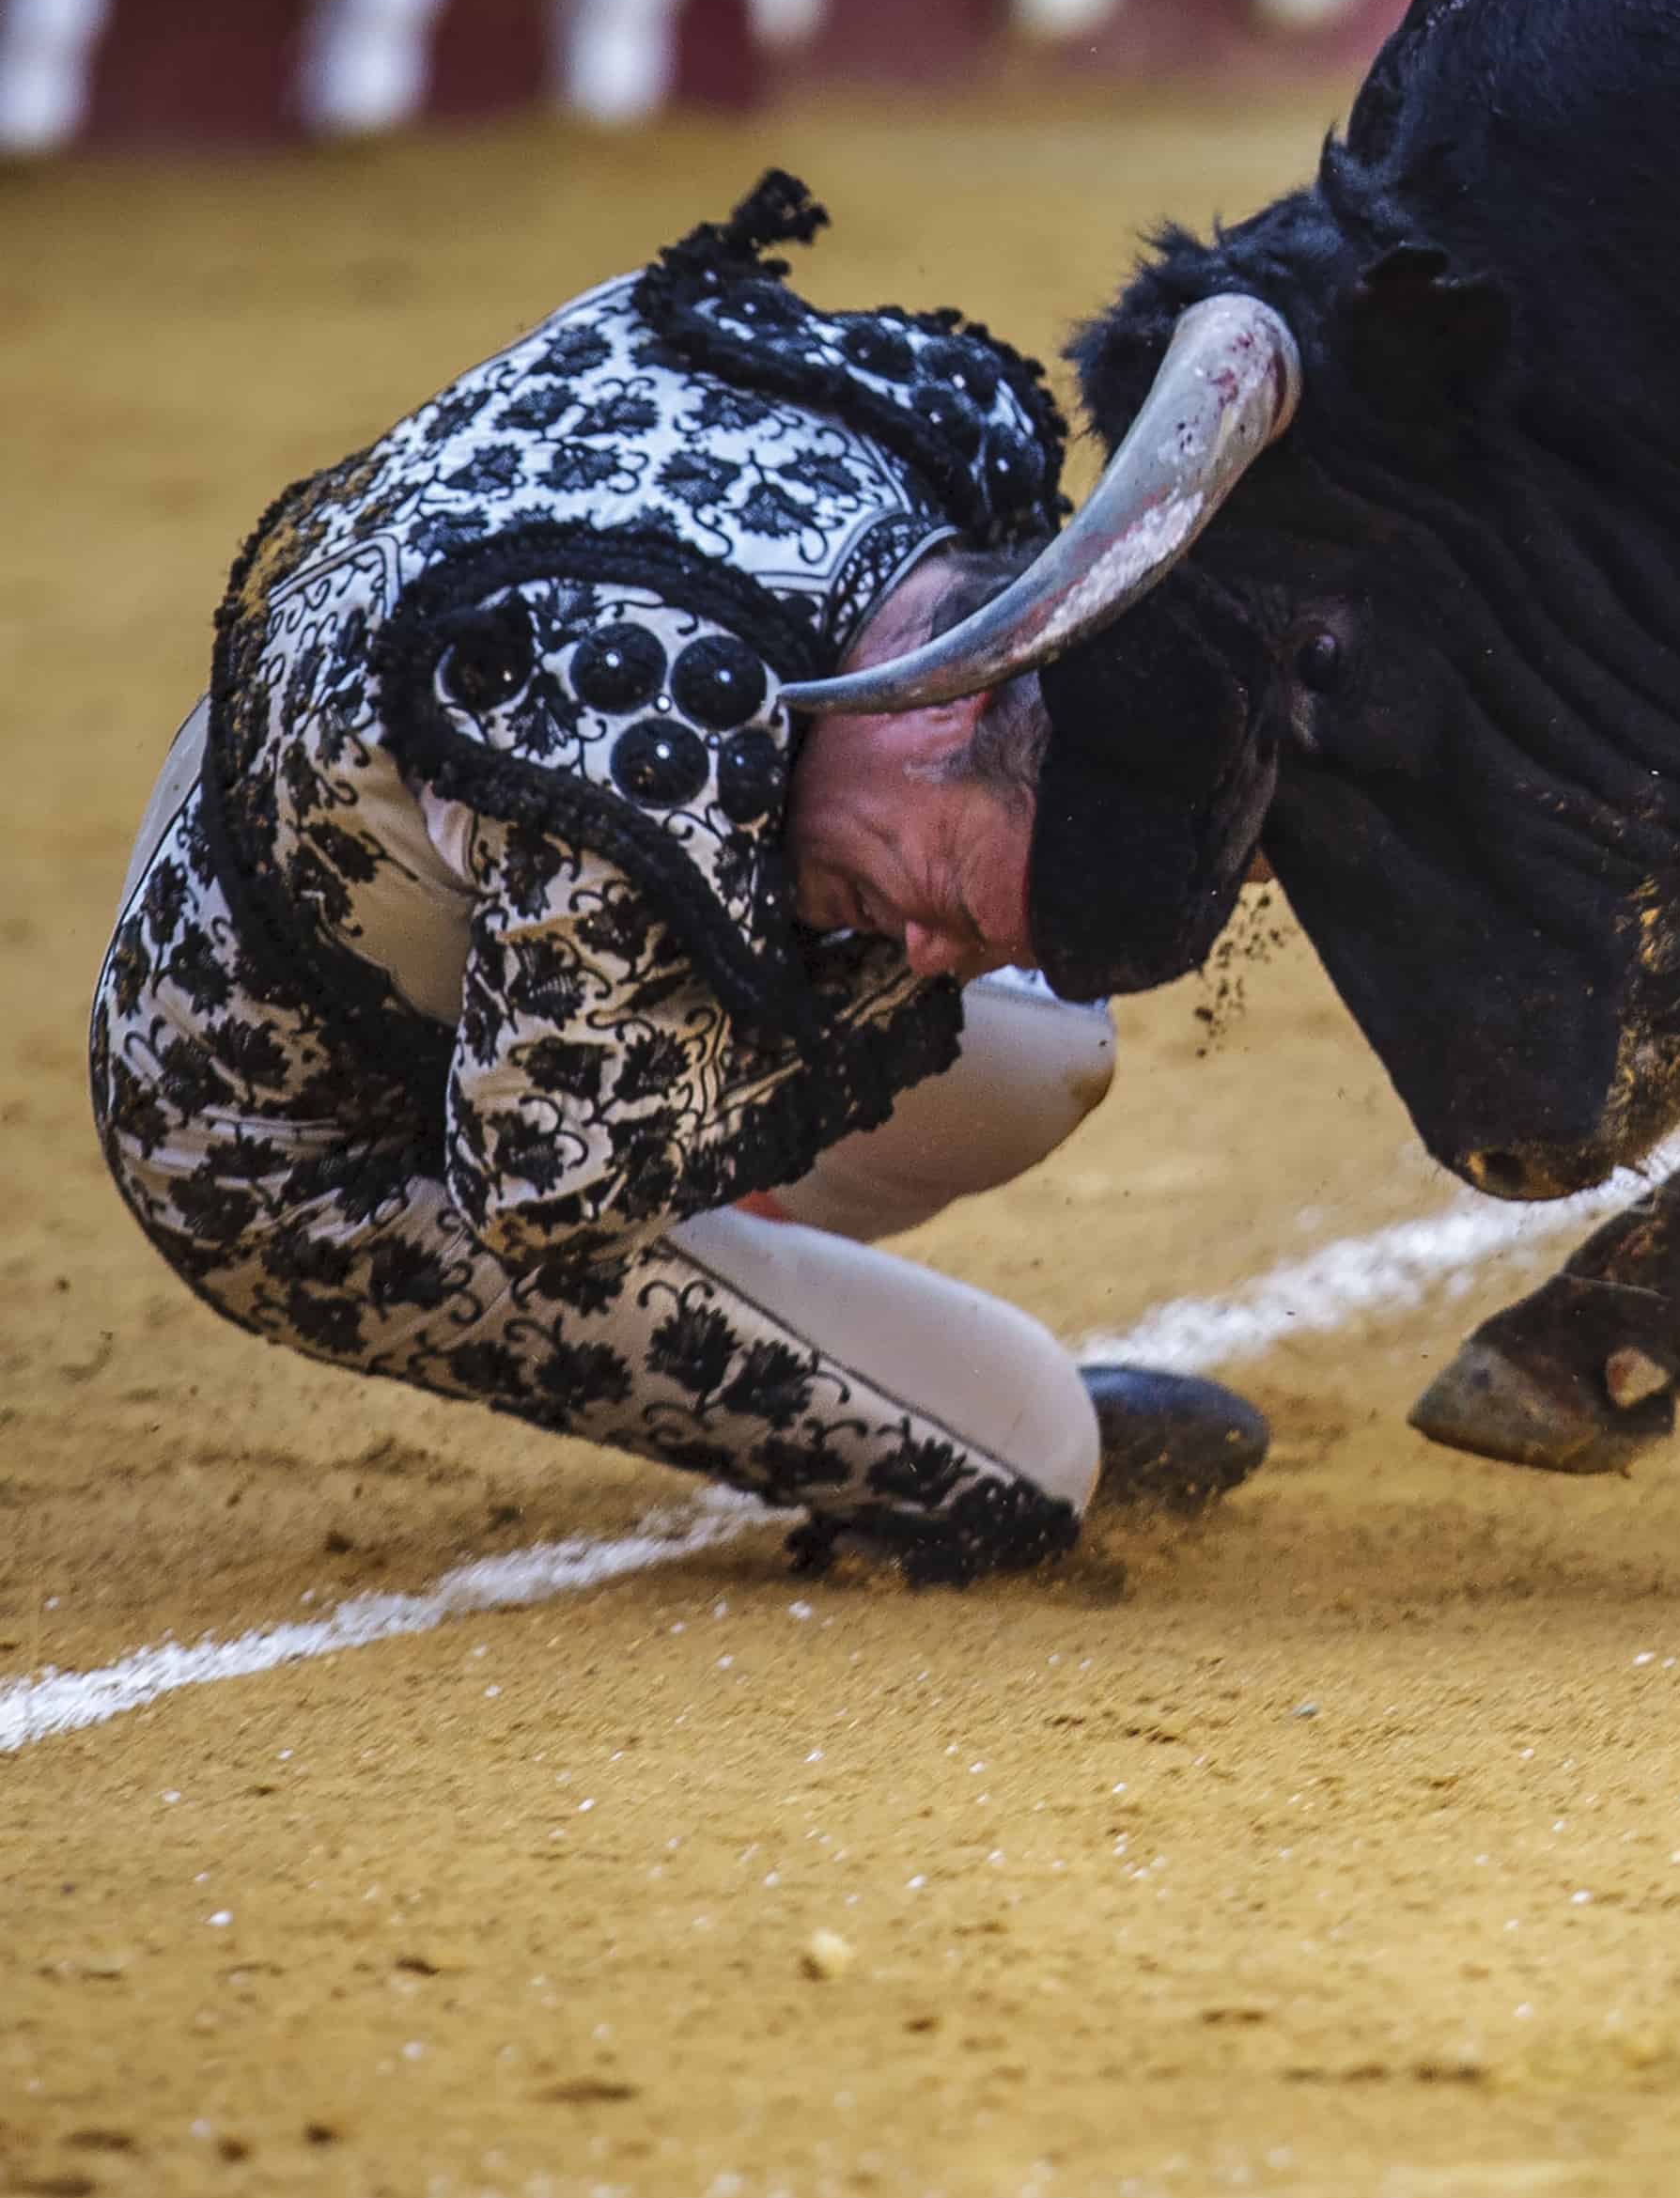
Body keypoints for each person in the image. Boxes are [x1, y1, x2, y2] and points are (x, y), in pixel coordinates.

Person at [92, 177, 1303, 1581]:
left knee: (1035, 1047)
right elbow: (544, 1188)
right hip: (277, 1125)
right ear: (947, 712)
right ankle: (864, 1387)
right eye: (957, 905)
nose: (925, 952)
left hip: (302, 798)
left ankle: (802, 1327)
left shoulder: (941, 486)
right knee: (1028, 1466)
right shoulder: (642, 728)